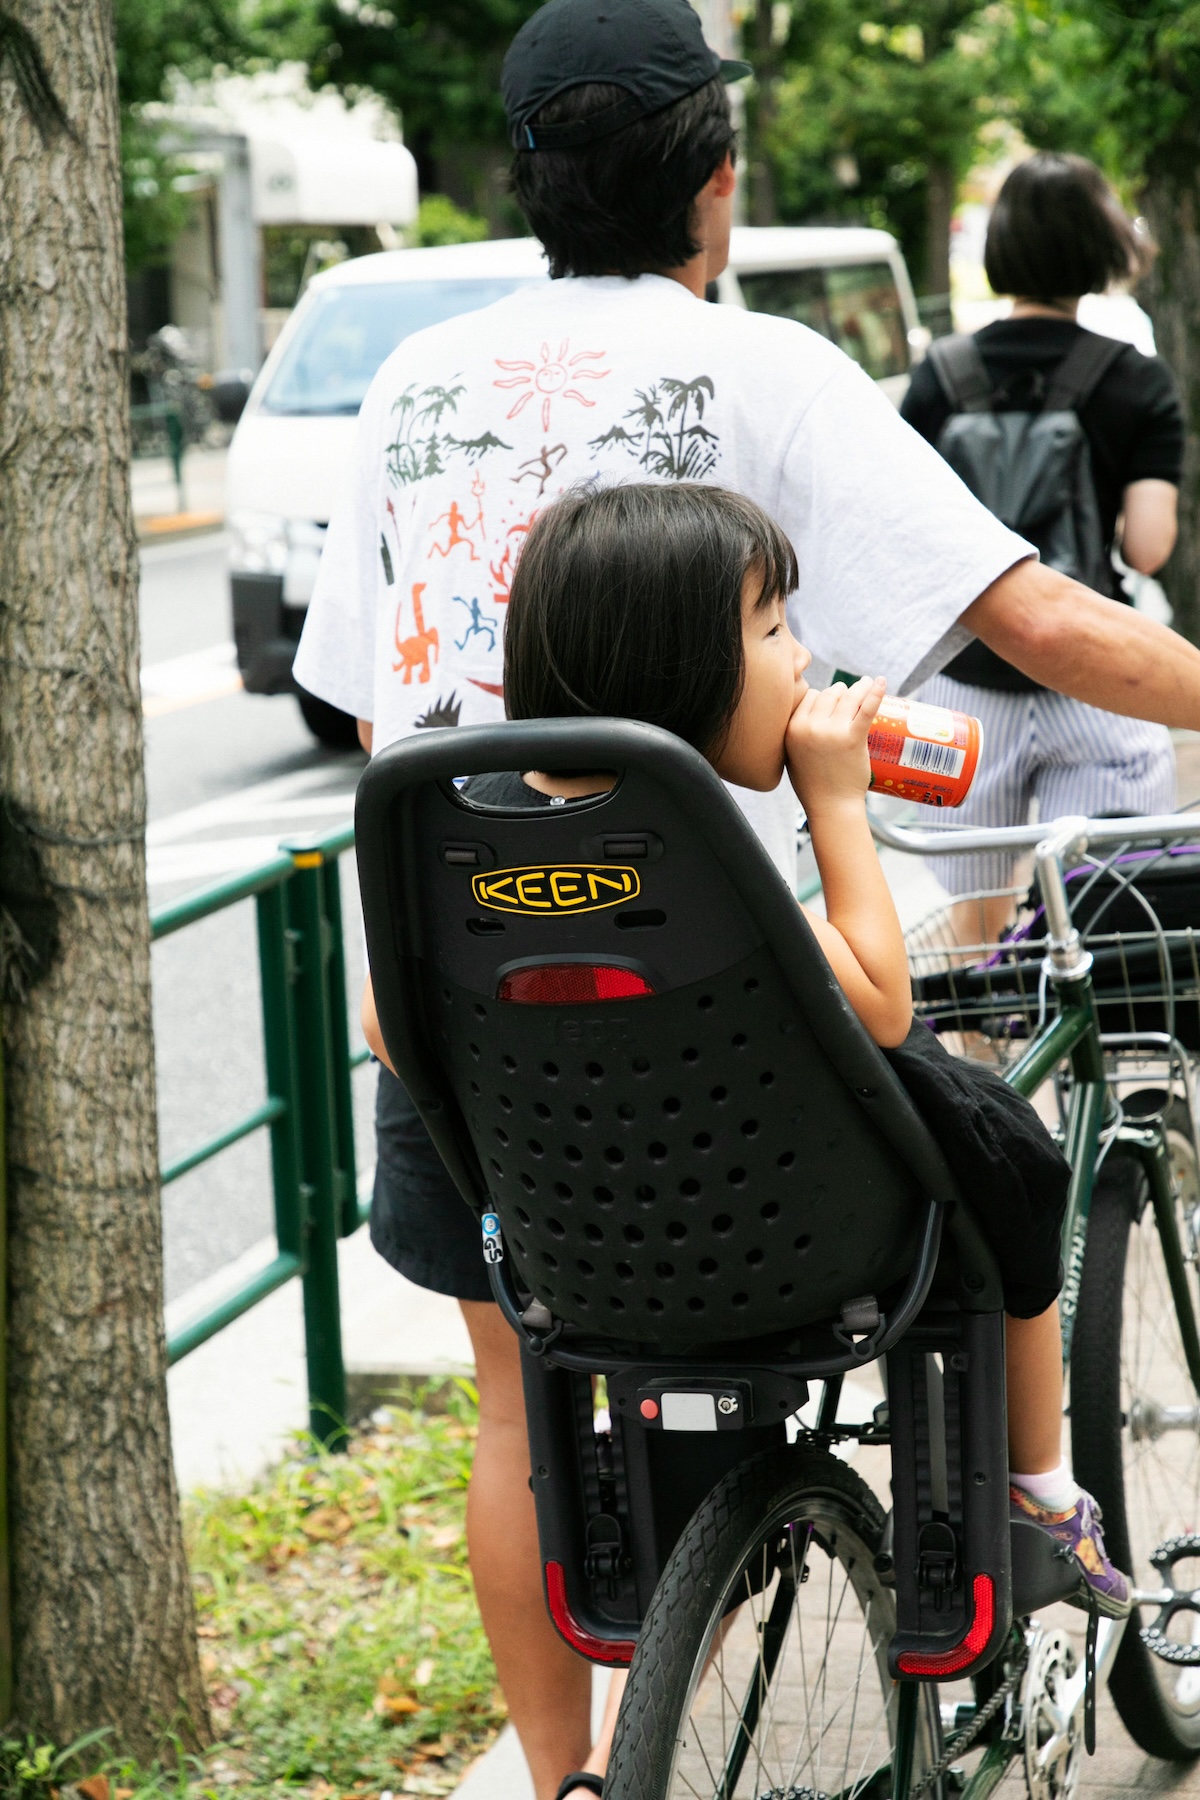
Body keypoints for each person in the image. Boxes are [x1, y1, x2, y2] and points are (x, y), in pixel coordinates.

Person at [297, 4, 1200, 1790]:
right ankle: (1021, 1514)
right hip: (729, 1020)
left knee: (518, 1408)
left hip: (468, 1014)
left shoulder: (410, 385)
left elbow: (375, 709)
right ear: (713, 181)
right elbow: (1034, 621)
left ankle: (570, 1778)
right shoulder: (761, 367)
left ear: (532, 180)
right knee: (952, 1196)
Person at [362, 481, 1130, 1794]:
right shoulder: (694, 835)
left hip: (578, 1250)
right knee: (1003, 1142)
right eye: (774, 630)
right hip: (798, 1238)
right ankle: (1041, 1489)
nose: (804, 658)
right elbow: (882, 1003)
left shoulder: (463, 823)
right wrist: (836, 799)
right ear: (681, 675)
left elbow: (389, 1024)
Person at [902, 152, 1186, 922]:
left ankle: (988, 1002)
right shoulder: (1135, 380)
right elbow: (1149, 548)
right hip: (1097, 680)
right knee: (1108, 917)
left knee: (974, 927)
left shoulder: (940, 376)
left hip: (963, 688)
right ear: (1103, 243)